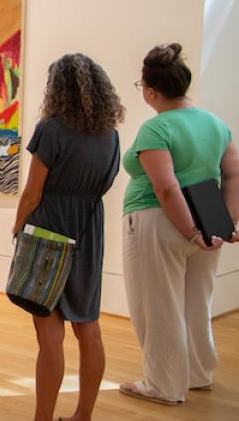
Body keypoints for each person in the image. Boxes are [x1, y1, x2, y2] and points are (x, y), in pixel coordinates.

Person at [119, 43, 239, 405]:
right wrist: (226, 222)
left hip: (158, 225)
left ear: (152, 90)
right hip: (208, 221)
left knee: (158, 305)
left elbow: (167, 188)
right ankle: (198, 373)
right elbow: (233, 175)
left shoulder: (156, 129)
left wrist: (189, 231)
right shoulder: (216, 125)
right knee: (195, 302)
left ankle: (164, 385)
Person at [10, 54, 123, 421]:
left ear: (56, 88)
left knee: (49, 334)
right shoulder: (111, 136)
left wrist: (17, 229)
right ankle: (83, 415)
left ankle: (42, 418)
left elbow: (32, 193)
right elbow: (104, 186)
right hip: (89, 234)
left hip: (47, 233)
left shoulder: (51, 129)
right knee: (88, 326)